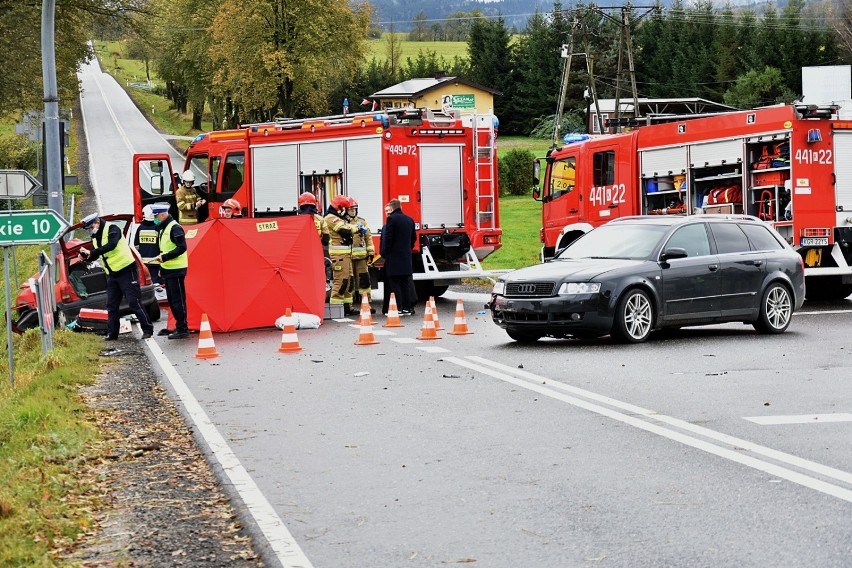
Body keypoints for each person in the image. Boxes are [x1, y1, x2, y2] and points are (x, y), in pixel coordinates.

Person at [78, 213, 155, 340]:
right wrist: (86, 257)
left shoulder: (112, 229)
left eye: (91, 227)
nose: (91, 230)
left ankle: (147, 329)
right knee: (111, 305)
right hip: (112, 274)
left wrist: (91, 252)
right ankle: (112, 333)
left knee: (133, 302)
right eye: (89, 229)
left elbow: (111, 245)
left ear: (97, 222)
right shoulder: (96, 236)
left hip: (126, 270)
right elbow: (96, 254)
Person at [151, 202, 190, 339]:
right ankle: (178, 326)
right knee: (172, 301)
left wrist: (165, 258)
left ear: (162, 214)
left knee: (178, 300)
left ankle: (183, 328)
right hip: (168, 269)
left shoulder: (174, 228)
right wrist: (162, 267)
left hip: (177, 269)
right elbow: (165, 249)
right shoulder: (163, 227)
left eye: (156, 216)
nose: (155, 219)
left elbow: (182, 247)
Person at [380, 199, 417, 315]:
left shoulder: (391, 219)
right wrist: (407, 249)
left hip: (394, 257)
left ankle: (399, 308)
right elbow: (413, 238)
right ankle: (406, 308)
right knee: (405, 283)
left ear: (392, 207)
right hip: (406, 257)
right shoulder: (409, 220)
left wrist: (385, 253)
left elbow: (389, 238)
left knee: (394, 283)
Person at [323, 195, 357, 315]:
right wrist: (356, 228)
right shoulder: (330, 218)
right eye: (346, 209)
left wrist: (351, 227)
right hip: (339, 255)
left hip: (345, 254)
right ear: (340, 208)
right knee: (341, 281)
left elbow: (347, 227)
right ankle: (335, 309)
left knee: (349, 281)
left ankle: (347, 307)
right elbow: (344, 230)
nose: (347, 212)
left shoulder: (337, 217)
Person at [346, 198, 375, 312]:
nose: (352, 211)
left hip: (362, 258)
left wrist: (371, 253)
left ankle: (366, 305)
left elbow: (368, 237)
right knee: (350, 282)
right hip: (348, 258)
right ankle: (349, 307)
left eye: (354, 209)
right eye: (350, 209)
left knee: (364, 281)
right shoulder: (343, 222)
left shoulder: (362, 222)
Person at [134, 204, 163, 290]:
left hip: (144, 262)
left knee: (148, 283)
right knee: (157, 283)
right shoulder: (157, 227)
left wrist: (143, 252)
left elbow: (136, 245)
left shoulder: (140, 228)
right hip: (156, 261)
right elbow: (162, 245)